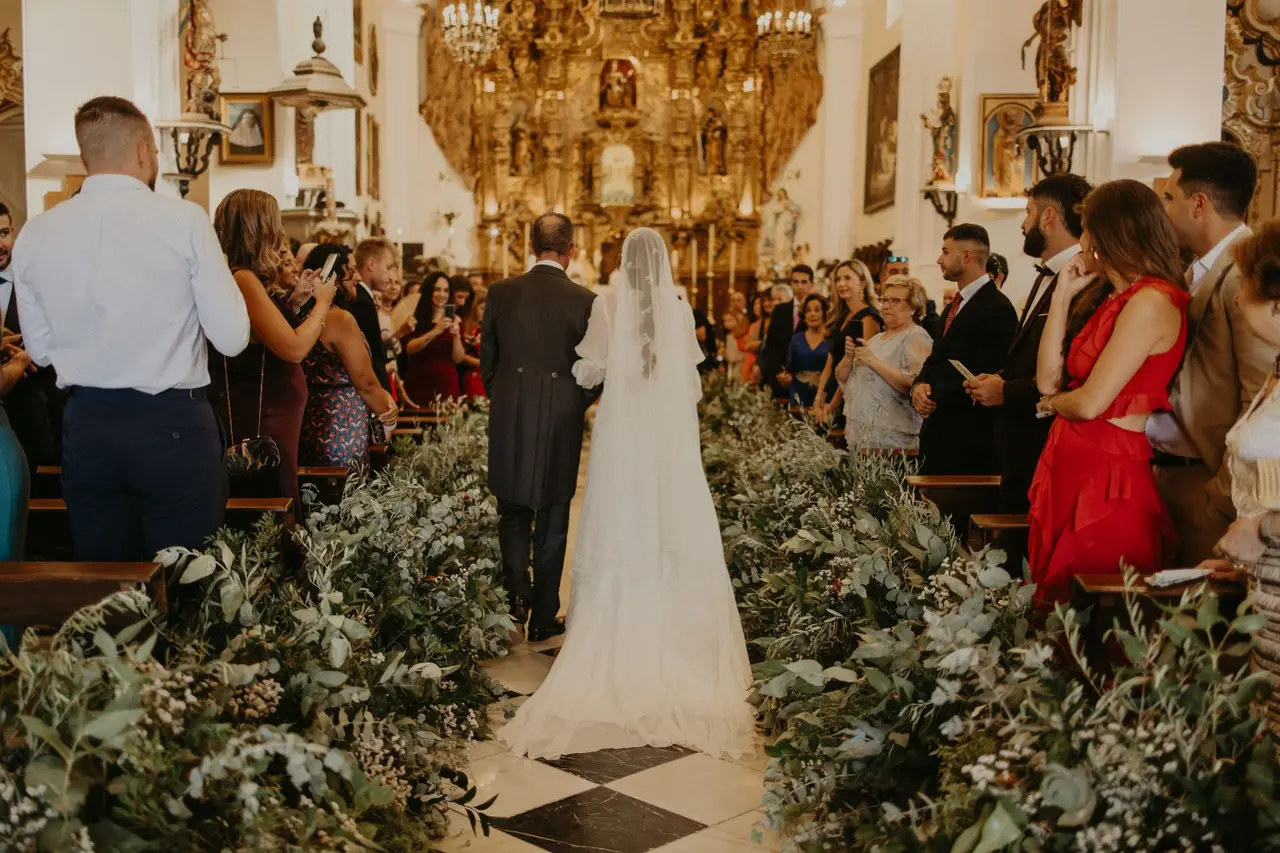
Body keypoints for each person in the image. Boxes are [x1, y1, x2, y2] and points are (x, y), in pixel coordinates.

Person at [499, 226, 755, 760]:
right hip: (668, 440)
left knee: (623, 518)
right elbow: (691, 384)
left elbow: (589, 368)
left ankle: (614, 624)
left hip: (624, 437)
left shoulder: (607, 308)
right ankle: (676, 628)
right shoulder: (681, 310)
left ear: (623, 264)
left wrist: (582, 372)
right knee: (671, 519)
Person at [11, 96, 251, 560]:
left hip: (87, 428)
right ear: (144, 152)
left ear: (86, 158)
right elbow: (232, 337)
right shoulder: (183, 220)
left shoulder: (37, 233)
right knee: (188, 586)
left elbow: (39, 351)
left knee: (109, 590)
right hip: (172, 426)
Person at [1028, 179, 1190, 602]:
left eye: (1085, 229)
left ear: (1107, 234)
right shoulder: (1117, 296)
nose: (1081, 240)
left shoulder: (1152, 301)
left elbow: (1089, 403)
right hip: (1072, 461)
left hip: (1107, 473)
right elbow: (1047, 379)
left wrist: (1051, 404)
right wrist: (1062, 295)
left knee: (1097, 608)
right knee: (1061, 609)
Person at [1154, 142, 1276, 565]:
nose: (1163, 209)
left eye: (1169, 197)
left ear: (1199, 204)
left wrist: (1219, 498)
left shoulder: (1242, 275)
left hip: (1204, 479)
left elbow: (1261, 393)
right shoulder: (1198, 270)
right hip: (1175, 471)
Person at [482, 213, 597, 642]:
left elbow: (487, 362)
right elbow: (596, 371)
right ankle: (545, 616)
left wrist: (509, 399)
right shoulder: (586, 300)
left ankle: (515, 607)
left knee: (511, 511)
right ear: (573, 251)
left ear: (530, 247)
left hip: (509, 415)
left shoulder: (500, 292)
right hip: (560, 422)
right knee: (552, 516)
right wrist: (571, 402)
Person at [967, 174, 1092, 514]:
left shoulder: (1083, 278)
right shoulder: (1044, 275)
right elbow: (1031, 355)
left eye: (1028, 212)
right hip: (1019, 446)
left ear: (1048, 217)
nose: (1024, 224)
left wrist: (1007, 391)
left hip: (1046, 443)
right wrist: (996, 380)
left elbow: (1069, 370)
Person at [212, 190, 335, 509]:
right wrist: (322, 303)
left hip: (276, 413)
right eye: (275, 220)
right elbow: (293, 348)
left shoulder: (249, 279)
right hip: (265, 417)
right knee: (274, 499)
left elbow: (266, 333)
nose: (280, 229)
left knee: (282, 496)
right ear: (258, 227)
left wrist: (295, 302)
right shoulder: (243, 278)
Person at [910, 224, 1018, 474]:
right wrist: (919, 385)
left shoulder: (998, 308)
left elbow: (989, 372)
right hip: (938, 433)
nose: (939, 259)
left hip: (969, 440)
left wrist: (933, 393)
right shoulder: (952, 307)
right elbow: (937, 360)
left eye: (945, 252)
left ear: (967, 256)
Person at [1209, 222, 1280, 572]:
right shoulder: (1275, 370)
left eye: (1244, 286)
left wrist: (1259, 529)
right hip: (1263, 575)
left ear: (1276, 300)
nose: (1237, 298)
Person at [297, 245, 397, 469]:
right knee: (346, 497)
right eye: (352, 270)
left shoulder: (300, 313)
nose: (359, 277)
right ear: (333, 275)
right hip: (341, 425)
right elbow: (366, 383)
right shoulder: (339, 319)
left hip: (308, 422)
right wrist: (388, 410)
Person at [0, 202, 62, 478]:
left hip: (34, 417)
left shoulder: (37, 278)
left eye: (3, 233)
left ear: (13, 230)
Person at [836, 277, 933, 452]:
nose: (887, 305)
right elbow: (843, 377)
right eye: (884, 300)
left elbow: (915, 384)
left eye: (895, 300)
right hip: (863, 432)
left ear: (913, 306)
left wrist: (872, 360)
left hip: (893, 438)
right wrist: (849, 357)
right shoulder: (876, 339)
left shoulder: (916, 336)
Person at [814, 260, 883, 425]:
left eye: (847, 278)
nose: (841, 284)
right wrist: (819, 398)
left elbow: (857, 368)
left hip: (848, 397)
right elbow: (829, 364)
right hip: (830, 392)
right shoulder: (841, 316)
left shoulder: (869, 318)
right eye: (838, 279)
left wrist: (833, 405)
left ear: (863, 283)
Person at [402, 271, 463, 410]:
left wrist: (456, 336)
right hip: (418, 385)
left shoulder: (455, 320)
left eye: (446, 290)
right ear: (429, 290)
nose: (442, 294)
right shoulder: (413, 318)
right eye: (437, 289)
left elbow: (458, 359)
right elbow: (410, 349)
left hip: (447, 386)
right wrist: (436, 330)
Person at [353, 237, 400, 394]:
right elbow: (370, 360)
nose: (391, 274)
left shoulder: (364, 298)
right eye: (388, 267)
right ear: (372, 264)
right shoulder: (362, 302)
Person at [760, 265, 815, 400]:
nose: (799, 286)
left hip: (808, 376)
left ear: (811, 284)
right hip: (781, 375)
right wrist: (778, 372)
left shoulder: (817, 311)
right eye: (795, 282)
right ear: (791, 283)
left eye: (804, 282)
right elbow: (771, 344)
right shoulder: (780, 310)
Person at [786, 294, 830, 409]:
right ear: (804, 315)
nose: (812, 314)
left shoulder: (831, 339)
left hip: (825, 395)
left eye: (817, 310)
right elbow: (789, 367)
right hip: (799, 395)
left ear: (825, 314)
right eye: (808, 310)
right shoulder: (796, 339)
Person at [457, 284, 488, 400]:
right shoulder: (465, 328)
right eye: (483, 308)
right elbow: (461, 356)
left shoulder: (487, 328)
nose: (486, 313)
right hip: (471, 377)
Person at [742, 292, 773, 384]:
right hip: (756, 362)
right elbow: (747, 346)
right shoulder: (758, 324)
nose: (766, 304)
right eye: (764, 301)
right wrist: (764, 342)